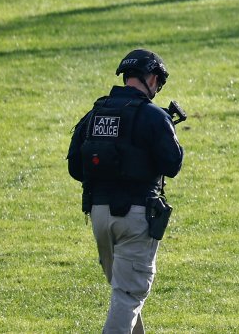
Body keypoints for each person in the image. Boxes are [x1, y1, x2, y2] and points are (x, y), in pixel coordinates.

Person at [68, 49, 185, 334]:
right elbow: (172, 165)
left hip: (99, 217)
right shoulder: (154, 117)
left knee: (124, 293)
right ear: (153, 79)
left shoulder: (95, 113)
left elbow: (74, 167)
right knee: (128, 295)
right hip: (135, 219)